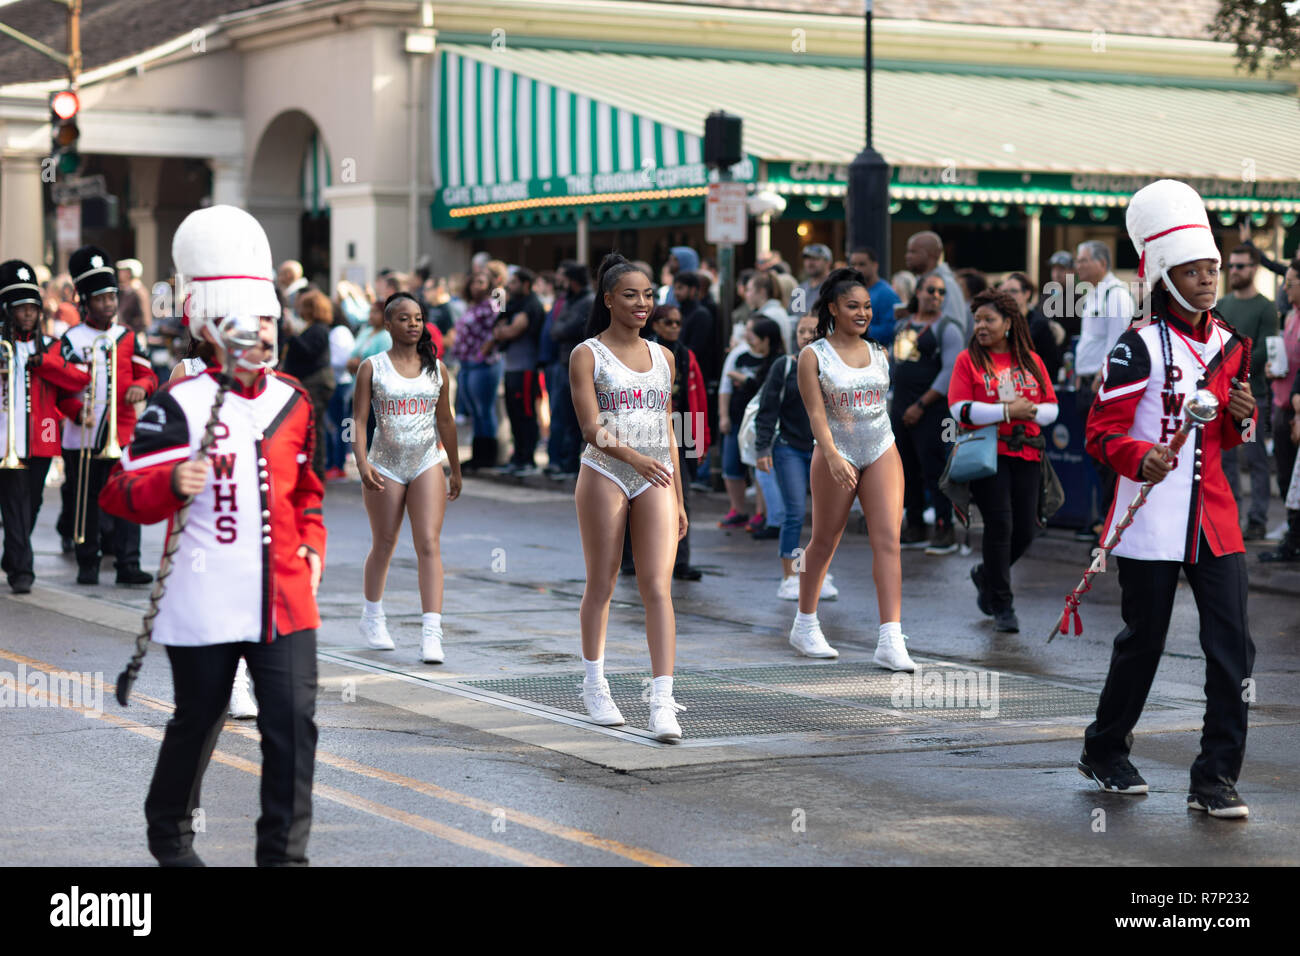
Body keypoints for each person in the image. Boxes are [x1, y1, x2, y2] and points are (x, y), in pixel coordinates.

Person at [100, 204, 325, 865]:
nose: (259, 336)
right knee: (199, 720)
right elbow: (120, 493)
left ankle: (283, 857)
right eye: (244, 326)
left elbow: (308, 491)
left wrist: (312, 541)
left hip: (285, 596)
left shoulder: (295, 402)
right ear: (212, 329)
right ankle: (169, 833)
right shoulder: (177, 406)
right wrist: (171, 484)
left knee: (292, 730)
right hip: (203, 599)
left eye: (265, 323)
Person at [1079, 179, 1256, 819]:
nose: (1208, 279)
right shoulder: (1136, 345)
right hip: (1152, 519)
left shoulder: (1231, 343)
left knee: (1234, 650)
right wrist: (1140, 454)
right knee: (1144, 641)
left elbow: (1230, 436)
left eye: (1211, 268)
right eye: (1194, 269)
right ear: (1165, 275)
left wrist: (1241, 414)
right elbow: (1101, 431)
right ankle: (1103, 748)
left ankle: (1214, 778)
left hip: (1215, 519)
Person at [570, 254, 688, 741]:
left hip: (657, 475)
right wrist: (634, 459)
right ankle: (594, 684)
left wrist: (679, 497)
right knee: (603, 580)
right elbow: (590, 427)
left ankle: (662, 700)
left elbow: (667, 428)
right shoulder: (587, 354)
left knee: (658, 588)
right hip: (605, 471)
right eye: (630, 295)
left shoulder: (664, 356)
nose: (642, 304)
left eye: (648, 295)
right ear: (608, 300)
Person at [787, 268, 914, 669]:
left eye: (867, 307)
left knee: (888, 540)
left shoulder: (880, 352)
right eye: (852, 306)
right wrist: (832, 454)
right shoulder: (813, 354)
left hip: (881, 446)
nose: (862, 313)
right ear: (832, 308)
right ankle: (805, 623)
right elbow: (815, 414)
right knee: (824, 540)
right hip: (833, 450)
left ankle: (891, 637)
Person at [351, 293, 462, 664]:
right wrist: (361, 461)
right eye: (403, 318)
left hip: (426, 460)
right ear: (387, 324)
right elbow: (360, 421)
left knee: (428, 543)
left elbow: (445, 420)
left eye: (418, 318)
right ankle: (372, 616)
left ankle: (432, 632)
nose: (413, 324)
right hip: (384, 463)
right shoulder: (372, 367)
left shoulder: (437, 368)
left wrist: (456, 468)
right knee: (384, 541)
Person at [948, 289, 1059, 633]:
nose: (981, 325)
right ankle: (1002, 603)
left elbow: (1052, 408)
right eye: (977, 319)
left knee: (1026, 528)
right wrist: (1008, 411)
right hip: (987, 456)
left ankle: (986, 574)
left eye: (989, 319)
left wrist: (1032, 411)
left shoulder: (1031, 361)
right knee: (1000, 526)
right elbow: (959, 408)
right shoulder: (968, 360)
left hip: (1027, 452)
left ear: (1008, 323)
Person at [57, 245, 157, 586]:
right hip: (82, 434)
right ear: (85, 302)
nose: (108, 305)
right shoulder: (71, 339)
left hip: (123, 432)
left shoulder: (126, 337)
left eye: (111, 298)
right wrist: (74, 410)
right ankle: (88, 563)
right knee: (86, 500)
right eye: (99, 300)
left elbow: (148, 374)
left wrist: (141, 387)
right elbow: (60, 390)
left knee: (129, 497)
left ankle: (128, 563)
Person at [0, 259, 89, 594]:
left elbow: (80, 376)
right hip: (5, 440)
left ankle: (13, 553)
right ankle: (22, 570)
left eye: (32, 309)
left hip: (41, 440)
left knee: (32, 502)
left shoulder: (52, 346)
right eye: (20, 308)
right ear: (7, 309)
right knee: (14, 501)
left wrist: (46, 364)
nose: (27, 315)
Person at [620, 304, 707, 581]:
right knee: (631, 496)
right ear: (655, 325)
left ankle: (680, 561)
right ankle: (628, 560)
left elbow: (697, 398)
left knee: (681, 497)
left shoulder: (683, 355)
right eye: (668, 322)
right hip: (638, 430)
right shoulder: (643, 351)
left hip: (678, 428)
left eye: (678, 322)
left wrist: (698, 440)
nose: (674, 327)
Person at [891, 273, 966, 554]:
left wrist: (921, 405)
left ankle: (945, 530)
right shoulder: (904, 325)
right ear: (918, 291)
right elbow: (896, 362)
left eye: (941, 292)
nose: (936, 296)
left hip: (931, 410)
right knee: (905, 469)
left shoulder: (948, 328)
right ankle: (915, 525)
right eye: (931, 290)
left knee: (934, 469)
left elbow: (950, 372)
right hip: (900, 407)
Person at [755, 312, 825, 599]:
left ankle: (817, 574)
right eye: (801, 332)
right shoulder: (784, 366)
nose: (806, 336)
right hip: (788, 448)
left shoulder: (833, 367)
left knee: (826, 518)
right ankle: (789, 576)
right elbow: (767, 409)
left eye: (813, 331)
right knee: (794, 512)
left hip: (823, 448)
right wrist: (762, 448)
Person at [1074, 239, 1135, 543]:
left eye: (1083, 260)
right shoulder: (1095, 293)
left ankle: (1111, 523)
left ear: (1101, 262)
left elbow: (1118, 342)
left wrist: (1102, 376)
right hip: (1086, 382)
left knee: (1106, 455)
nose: (1078, 266)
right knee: (1094, 455)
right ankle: (1101, 519)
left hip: (1102, 385)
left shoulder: (1116, 295)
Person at [1218, 243, 1278, 541]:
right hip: (1222, 397)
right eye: (1231, 266)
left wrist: (1232, 363)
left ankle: (1257, 519)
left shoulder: (1266, 307)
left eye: (1240, 266)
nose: (1235, 271)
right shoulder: (1223, 304)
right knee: (1226, 459)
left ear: (1254, 268)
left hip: (1254, 398)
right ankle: (1231, 515)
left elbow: (1265, 349)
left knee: (1254, 457)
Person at [1260, 261, 1300, 563]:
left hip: (1296, 412)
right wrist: (1272, 370)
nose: (1284, 288)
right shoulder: (1290, 318)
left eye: (1290, 282)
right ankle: (1292, 539)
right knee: (1287, 480)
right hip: (1281, 406)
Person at [492, 267, 546, 474]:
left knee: (525, 413)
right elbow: (498, 327)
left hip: (526, 368)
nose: (510, 287)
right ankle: (517, 457)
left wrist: (504, 331)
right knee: (514, 413)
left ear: (525, 284)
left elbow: (513, 329)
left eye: (514, 283)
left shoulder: (531, 304)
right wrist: (503, 330)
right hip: (512, 366)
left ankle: (527, 459)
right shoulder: (512, 303)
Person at [451, 269, 504, 472]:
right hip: (465, 363)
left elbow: (496, 331)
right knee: (475, 412)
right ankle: (477, 455)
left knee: (484, 410)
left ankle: (488, 457)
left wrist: (482, 354)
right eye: (474, 282)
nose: (476, 286)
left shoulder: (494, 303)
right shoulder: (471, 306)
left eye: (481, 282)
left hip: (483, 364)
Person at [281, 289, 336, 482]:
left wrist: (292, 337)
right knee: (313, 427)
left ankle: (316, 471)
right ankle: (313, 470)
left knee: (315, 429)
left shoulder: (319, 329)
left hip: (316, 383)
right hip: (312, 382)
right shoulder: (314, 328)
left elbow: (309, 351)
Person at [546, 262, 595, 479]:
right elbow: (556, 329)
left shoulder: (587, 301)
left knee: (576, 418)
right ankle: (561, 461)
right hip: (562, 362)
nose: (559, 282)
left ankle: (572, 464)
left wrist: (561, 329)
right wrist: (560, 329)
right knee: (560, 415)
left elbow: (568, 328)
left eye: (563, 278)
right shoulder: (567, 301)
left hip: (577, 366)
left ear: (572, 280)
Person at [1001, 271, 1062, 383]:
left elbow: (1052, 362)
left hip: (1033, 385)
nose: (1008, 295)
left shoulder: (1039, 324)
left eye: (1013, 291)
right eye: (1004, 291)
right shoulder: (1000, 322)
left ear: (1027, 293)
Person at [904, 231, 968, 333]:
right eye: (908, 252)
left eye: (913, 252)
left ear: (933, 254)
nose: (907, 256)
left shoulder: (947, 283)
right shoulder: (921, 279)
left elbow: (955, 329)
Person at [324, 303, 357, 481]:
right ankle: (334, 462)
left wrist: (325, 360)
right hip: (339, 382)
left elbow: (342, 359)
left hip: (342, 383)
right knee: (338, 425)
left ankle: (339, 464)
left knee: (341, 425)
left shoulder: (340, 332)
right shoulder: (337, 331)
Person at [849, 247, 901, 345]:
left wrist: (857, 329)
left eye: (862, 264)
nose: (856, 269)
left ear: (875, 265)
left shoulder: (886, 293)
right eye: (853, 265)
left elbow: (891, 329)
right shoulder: (852, 291)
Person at [791, 244, 833, 319]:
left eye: (815, 258)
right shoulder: (800, 289)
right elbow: (792, 316)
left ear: (828, 262)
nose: (810, 263)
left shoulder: (834, 287)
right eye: (806, 258)